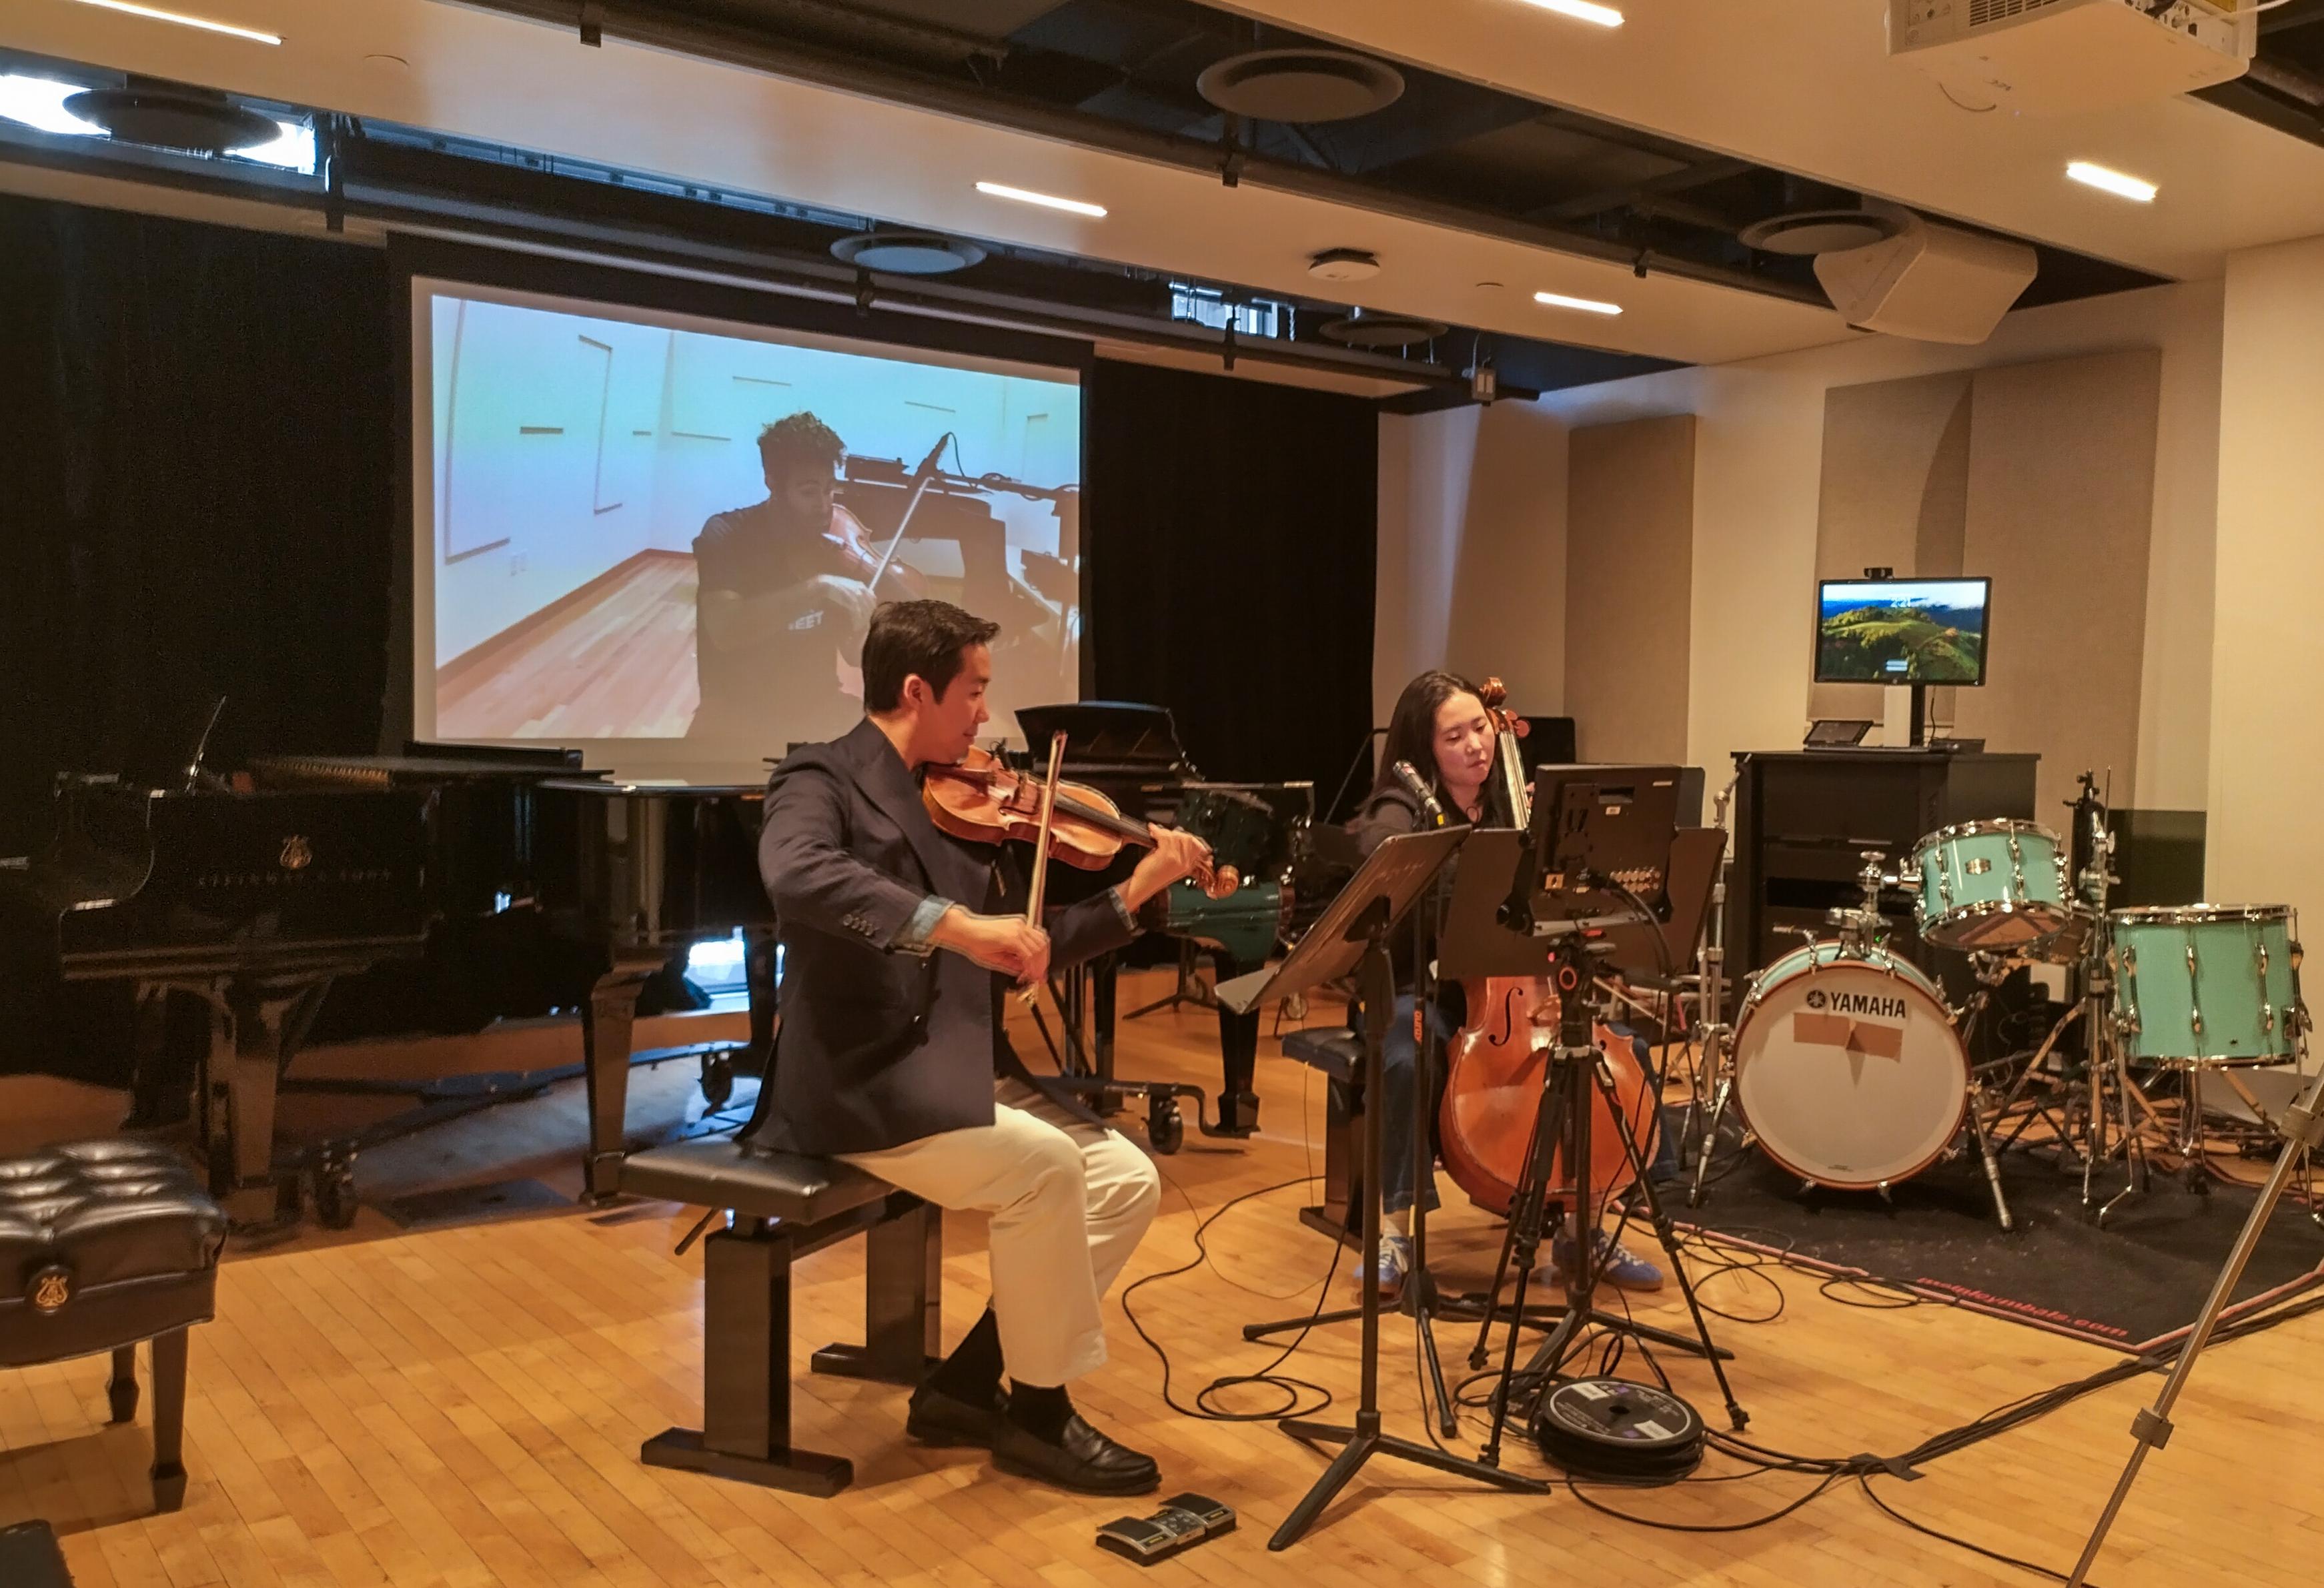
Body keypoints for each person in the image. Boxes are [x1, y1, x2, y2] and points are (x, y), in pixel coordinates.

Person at [750, 598, 1211, 1496]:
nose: (985, 716)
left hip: (956, 1065)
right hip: (861, 1080)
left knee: (1127, 1179)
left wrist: (1137, 888)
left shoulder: (964, 799)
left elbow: (1025, 949)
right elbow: (796, 873)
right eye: (973, 692)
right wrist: (958, 926)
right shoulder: (820, 776)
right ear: (915, 689)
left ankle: (967, 1384)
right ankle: (1038, 1412)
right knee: (1047, 1169)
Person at [1348, 669, 1666, 1300]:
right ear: (1423, 746)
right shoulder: (1403, 805)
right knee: (1407, 1058)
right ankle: (1393, 1234)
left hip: (1522, 995)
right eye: (1454, 736)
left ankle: (1583, 1226)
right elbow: (1377, 851)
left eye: (1480, 728)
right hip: (1427, 989)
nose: (1476, 745)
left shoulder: (1514, 801)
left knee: (1614, 1051)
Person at [692, 412, 915, 744]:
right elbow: (727, 630)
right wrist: (817, 588)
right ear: (772, 483)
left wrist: (876, 633)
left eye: (830, 490)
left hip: (818, 708)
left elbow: (853, 653)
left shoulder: (834, 548)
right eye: (809, 493)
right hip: (738, 709)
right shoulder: (727, 534)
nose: (825, 506)